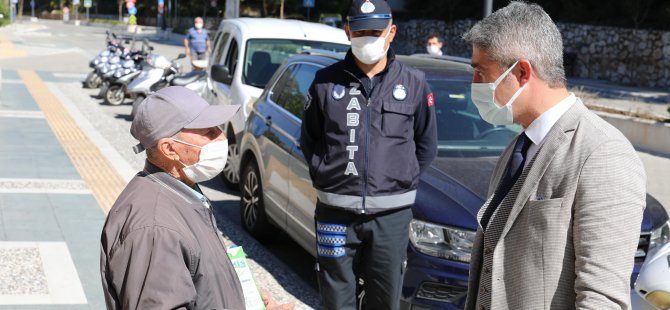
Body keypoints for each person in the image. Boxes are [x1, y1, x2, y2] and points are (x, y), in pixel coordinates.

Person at [461, 2, 646, 310]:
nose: (474, 84)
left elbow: (601, 299)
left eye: (481, 71)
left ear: (521, 72)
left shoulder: (603, 155)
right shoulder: (518, 147)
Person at [100, 87, 292, 310]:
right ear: (169, 149)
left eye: (218, 128)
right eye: (208, 132)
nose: (221, 137)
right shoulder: (155, 229)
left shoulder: (180, 193)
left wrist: (240, 298)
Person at [300, 0, 437, 309]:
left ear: (391, 33)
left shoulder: (414, 83)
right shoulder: (325, 82)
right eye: (360, 30)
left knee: (385, 300)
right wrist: (327, 176)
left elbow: (426, 145)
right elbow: (309, 139)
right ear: (347, 31)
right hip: (335, 213)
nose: (367, 37)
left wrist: (400, 180)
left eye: (375, 31)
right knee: (336, 298)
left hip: (391, 216)